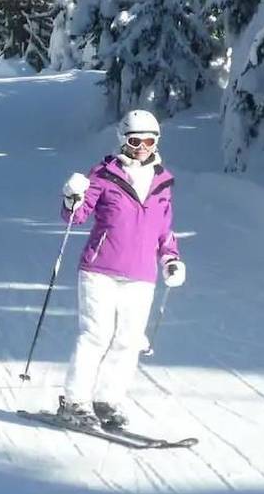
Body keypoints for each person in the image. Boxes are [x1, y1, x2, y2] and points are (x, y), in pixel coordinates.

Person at [58, 109, 186, 430]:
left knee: (128, 341)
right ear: (123, 140)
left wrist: (170, 258)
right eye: (135, 140)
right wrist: (72, 197)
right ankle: (75, 401)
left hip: (142, 275)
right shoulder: (104, 174)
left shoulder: (162, 182)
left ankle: (107, 400)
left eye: (149, 140)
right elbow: (76, 216)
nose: (142, 146)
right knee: (96, 335)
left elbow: (164, 229)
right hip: (100, 269)